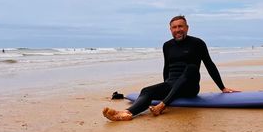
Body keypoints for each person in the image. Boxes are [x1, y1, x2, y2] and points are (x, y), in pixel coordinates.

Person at [102, 15, 238, 121]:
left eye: (181, 26)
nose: (178, 30)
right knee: (146, 90)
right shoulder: (167, 45)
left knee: (191, 68)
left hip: (190, 86)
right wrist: (165, 85)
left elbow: (209, 64)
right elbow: (166, 67)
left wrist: (222, 88)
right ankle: (127, 113)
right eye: (174, 27)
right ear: (170, 29)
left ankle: (162, 106)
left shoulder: (197, 43)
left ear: (187, 28)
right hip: (172, 85)